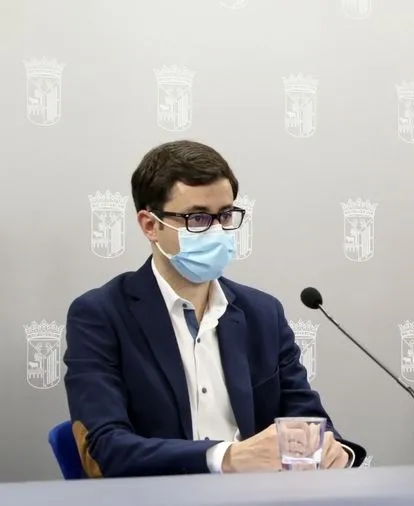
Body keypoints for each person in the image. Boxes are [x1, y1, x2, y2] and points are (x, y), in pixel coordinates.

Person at [64, 140, 366, 477]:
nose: (217, 230)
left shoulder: (262, 313)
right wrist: (226, 457)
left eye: (224, 215)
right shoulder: (100, 315)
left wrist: (332, 451)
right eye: (197, 218)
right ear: (150, 225)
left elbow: (307, 421)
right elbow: (107, 448)